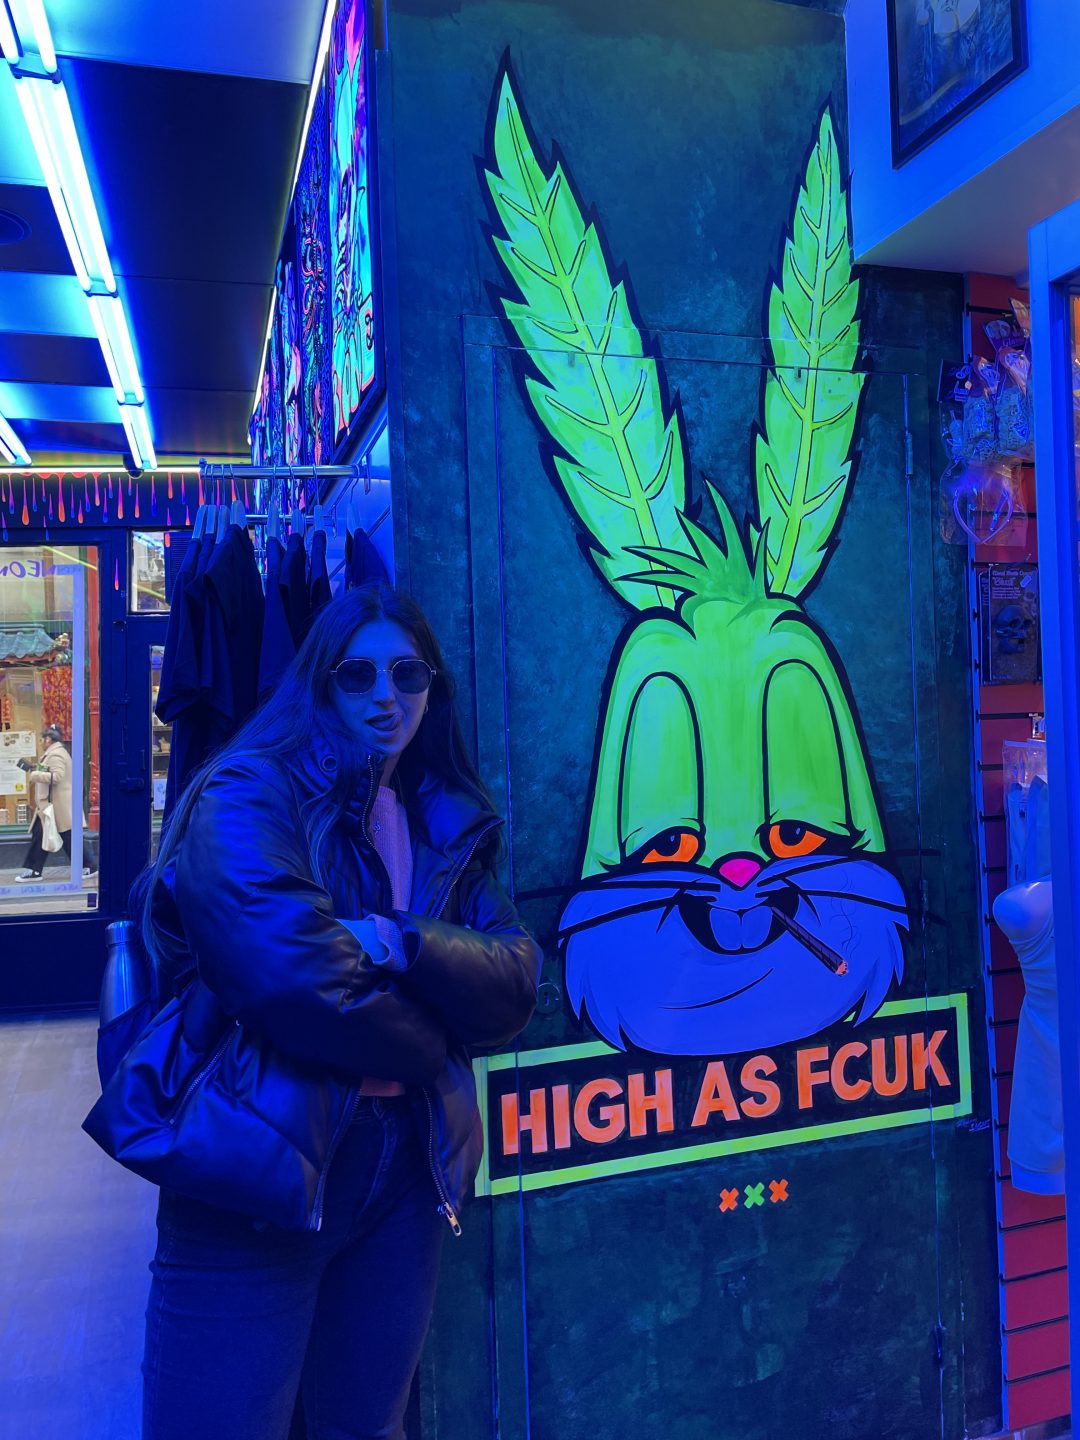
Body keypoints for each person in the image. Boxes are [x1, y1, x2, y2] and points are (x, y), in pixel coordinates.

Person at [134, 583, 541, 1440]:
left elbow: (513, 984)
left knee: (367, 1428)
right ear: (319, 681)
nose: (385, 695)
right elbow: (293, 979)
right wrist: (435, 1044)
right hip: (257, 1162)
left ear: (431, 689)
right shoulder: (250, 789)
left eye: (407, 674)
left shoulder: (444, 820)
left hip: (404, 1169)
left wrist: (395, 941)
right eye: (358, 674)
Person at [15, 724, 95, 881]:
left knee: (65, 837)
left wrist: (35, 775)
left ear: (48, 740)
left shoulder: (55, 755)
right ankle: (35, 870)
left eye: (41, 739)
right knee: (42, 834)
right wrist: (35, 768)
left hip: (56, 805)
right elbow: (51, 772)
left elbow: (57, 776)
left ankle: (89, 865)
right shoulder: (56, 753)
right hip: (53, 805)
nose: (40, 743)